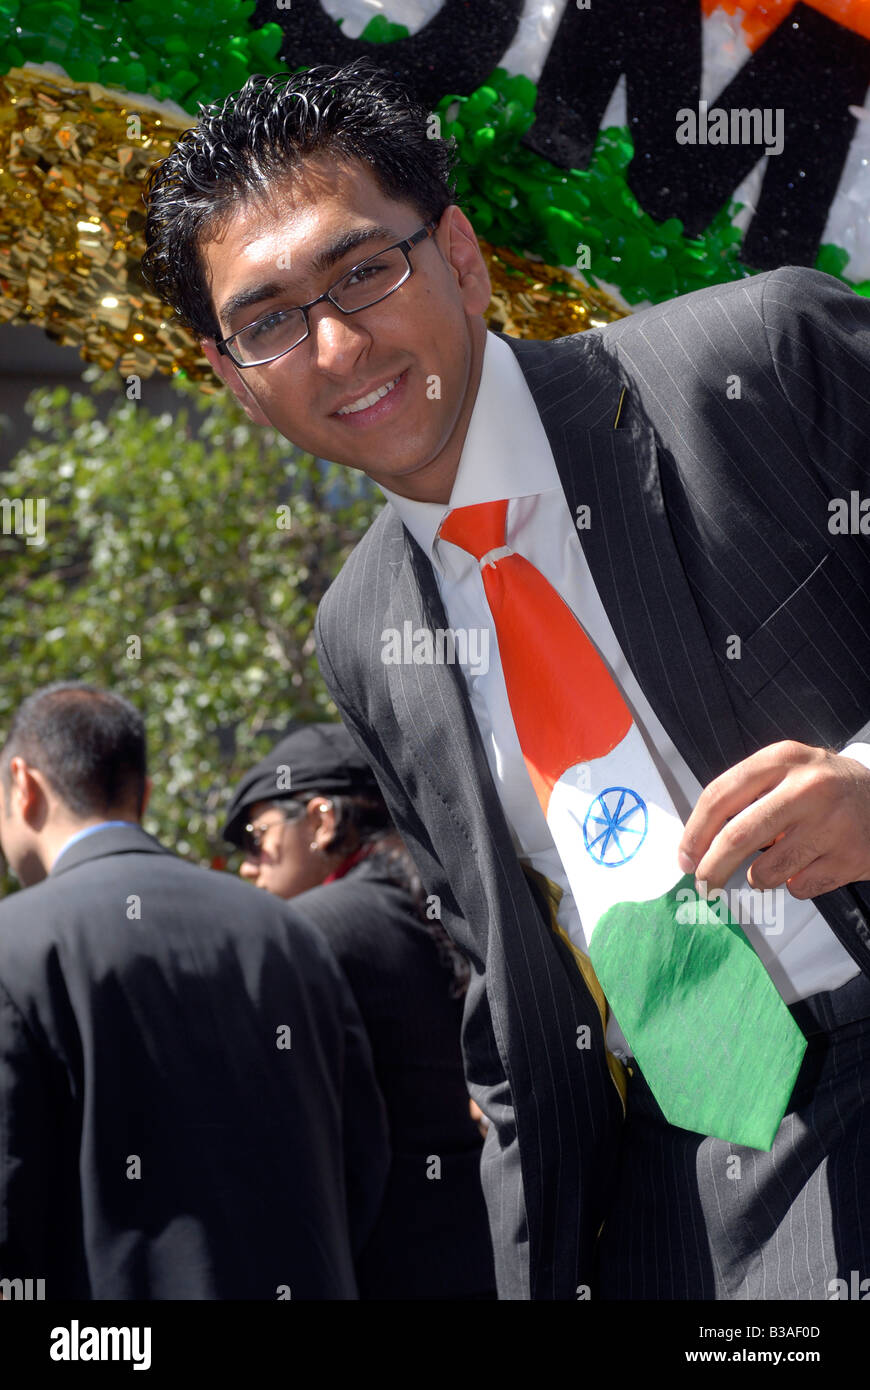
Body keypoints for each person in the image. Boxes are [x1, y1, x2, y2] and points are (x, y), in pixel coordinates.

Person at [141, 60, 870, 1301]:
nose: (334, 345)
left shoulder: (757, 357)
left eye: (363, 270)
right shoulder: (362, 626)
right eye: (267, 321)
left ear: (463, 259)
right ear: (231, 377)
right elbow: (504, 982)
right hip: (678, 1181)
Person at [0, 682, 389, 1299]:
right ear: (145, 794)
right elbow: (362, 1162)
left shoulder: (13, 946)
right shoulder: (288, 931)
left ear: (22, 785)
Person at [221, 721, 496, 1300]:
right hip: (497, 1245)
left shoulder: (304, 929)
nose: (247, 866)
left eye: (254, 835)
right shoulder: (463, 899)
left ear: (321, 820)